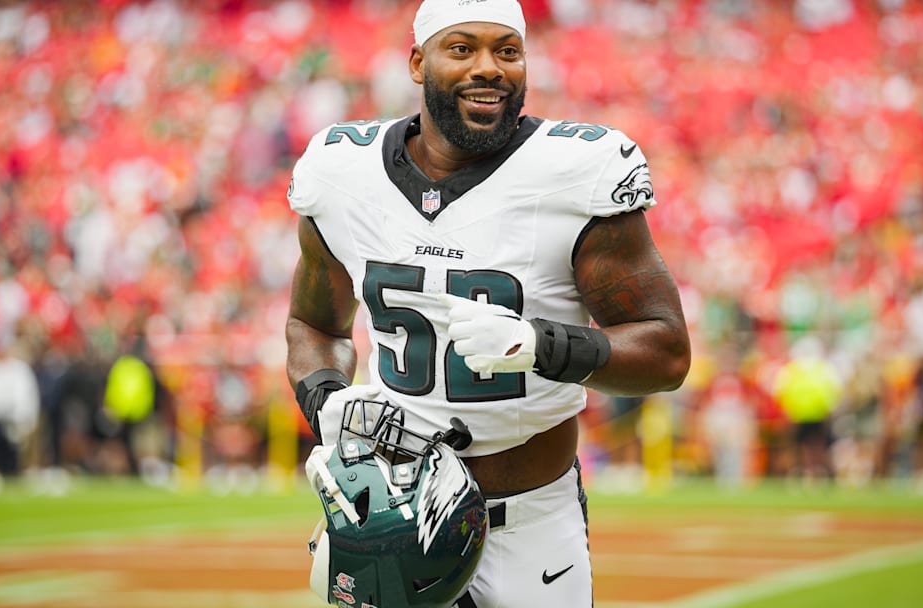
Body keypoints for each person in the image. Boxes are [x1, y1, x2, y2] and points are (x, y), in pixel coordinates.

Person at [284, 0, 691, 605]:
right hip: (391, 523)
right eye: (462, 48)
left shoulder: (576, 169)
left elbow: (666, 351)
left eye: (507, 51)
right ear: (417, 63)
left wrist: (539, 346)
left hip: (531, 526)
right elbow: (313, 324)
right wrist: (325, 398)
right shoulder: (344, 171)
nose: (489, 67)